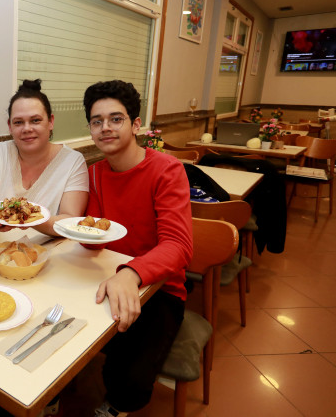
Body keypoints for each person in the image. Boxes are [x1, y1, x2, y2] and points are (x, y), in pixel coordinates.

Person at [81, 80, 192, 417]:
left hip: (160, 288)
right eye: (97, 121)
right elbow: (93, 234)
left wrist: (132, 273)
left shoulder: (166, 170)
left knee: (127, 372)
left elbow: (179, 245)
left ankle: (117, 406)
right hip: (105, 275)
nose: (106, 128)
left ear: (135, 124)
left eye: (116, 119)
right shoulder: (95, 173)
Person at [0, 79, 88, 235]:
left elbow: (69, 221)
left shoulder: (73, 161)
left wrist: (25, 218)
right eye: (18, 122)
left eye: (35, 120)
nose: (27, 129)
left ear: (51, 121)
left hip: (46, 251)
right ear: (10, 126)